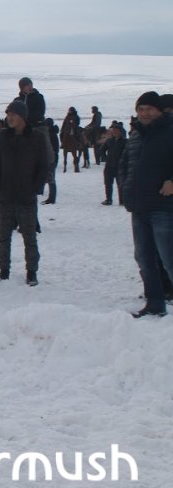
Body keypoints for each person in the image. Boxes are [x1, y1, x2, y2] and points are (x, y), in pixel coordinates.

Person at [118, 91, 173, 318]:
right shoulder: (136, 135)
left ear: (159, 110)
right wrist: (126, 189)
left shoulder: (170, 131)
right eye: (140, 109)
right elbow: (125, 164)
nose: (145, 113)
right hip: (139, 207)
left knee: (169, 259)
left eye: (149, 109)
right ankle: (155, 303)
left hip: (164, 206)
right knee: (144, 258)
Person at [0, 100, 49, 286]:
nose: (10, 118)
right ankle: (4, 270)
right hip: (4, 196)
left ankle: (31, 272)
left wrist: (35, 188)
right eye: (8, 114)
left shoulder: (37, 137)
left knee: (29, 237)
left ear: (23, 116)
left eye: (13, 114)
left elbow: (43, 165)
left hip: (26, 197)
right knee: (3, 237)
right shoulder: (1, 137)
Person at [15, 76, 52, 167]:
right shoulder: (17, 100)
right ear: (22, 87)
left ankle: (49, 167)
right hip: (22, 128)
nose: (30, 86)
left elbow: (40, 113)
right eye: (27, 85)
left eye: (30, 84)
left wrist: (25, 118)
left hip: (37, 126)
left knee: (46, 148)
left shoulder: (39, 97)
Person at [100, 122, 127, 206]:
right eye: (114, 130)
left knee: (121, 184)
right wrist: (105, 158)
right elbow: (102, 150)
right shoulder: (109, 141)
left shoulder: (125, 141)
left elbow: (128, 153)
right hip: (109, 166)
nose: (115, 132)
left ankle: (122, 201)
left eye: (117, 130)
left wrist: (124, 161)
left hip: (120, 167)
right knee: (108, 183)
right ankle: (108, 199)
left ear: (120, 132)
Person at [42, 117, 60, 204]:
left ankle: (52, 198)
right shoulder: (50, 134)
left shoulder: (51, 135)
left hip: (51, 159)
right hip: (52, 158)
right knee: (50, 178)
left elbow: (54, 148)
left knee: (51, 179)